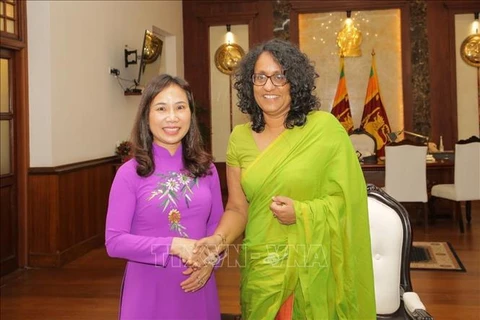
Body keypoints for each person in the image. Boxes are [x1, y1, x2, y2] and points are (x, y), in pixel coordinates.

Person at [190, 39, 376, 319]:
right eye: (260, 77)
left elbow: (349, 200)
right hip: (262, 265)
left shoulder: (325, 130)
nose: (269, 86)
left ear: (295, 82)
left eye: (280, 76)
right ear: (249, 83)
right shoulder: (239, 138)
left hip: (314, 265)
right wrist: (217, 241)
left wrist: (301, 212)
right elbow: (238, 208)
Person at [105, 74, 224, 320]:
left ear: (190, 114)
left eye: (180, 107)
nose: (172, 117)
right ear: (147, 116)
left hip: (198, 286)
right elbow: (114, 242)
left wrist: (211, 260)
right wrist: (173, 245)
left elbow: (217, 230)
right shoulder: (130, 173)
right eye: (161, 108)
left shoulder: (207, 169)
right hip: (148, 292)